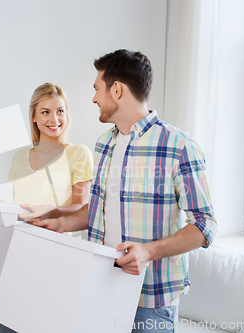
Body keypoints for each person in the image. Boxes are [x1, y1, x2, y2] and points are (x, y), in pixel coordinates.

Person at [21, 50, 218, 333]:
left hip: (150, 301)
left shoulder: (179, 146)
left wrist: (147, 252)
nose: (93, 98)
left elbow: (206, 225)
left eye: (97, 89)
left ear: (116, 89)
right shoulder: (104, 144)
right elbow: (98, 210)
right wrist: (61, 223)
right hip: (100, 287)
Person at [0, 83, 93, 333]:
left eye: (60, 111)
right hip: (17, 253)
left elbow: (81, 206)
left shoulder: (79, 153)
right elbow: (13, 206)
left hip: (58, 258)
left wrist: (51, 210)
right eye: (45, 111)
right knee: (9, 326)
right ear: (34, 116)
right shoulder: (19, 157)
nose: (54, 119)